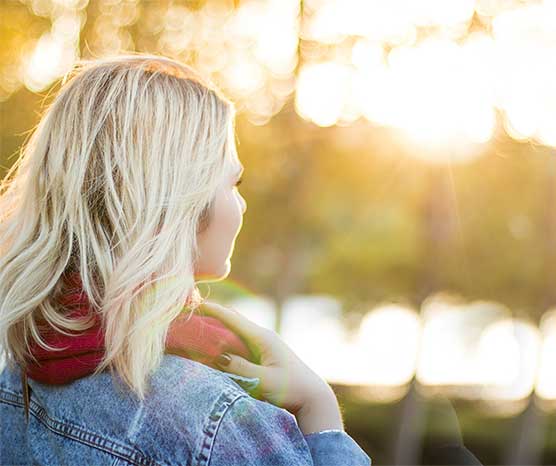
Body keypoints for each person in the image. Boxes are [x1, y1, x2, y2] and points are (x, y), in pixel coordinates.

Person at [0, 53, 371, 465]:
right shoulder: (217, 421)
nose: (241, 205)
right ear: (181, 202)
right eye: (234, 182)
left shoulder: (16, 375)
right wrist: (320, 410)